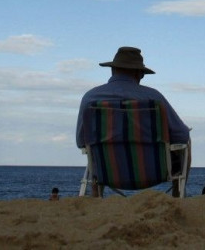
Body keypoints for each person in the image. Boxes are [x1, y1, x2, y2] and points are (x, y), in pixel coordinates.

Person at [76, 46, 191, 197]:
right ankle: (177, 195)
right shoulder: (154, 98)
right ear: (140, 74)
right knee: (187, 141)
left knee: (93, 151)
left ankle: (96, 196)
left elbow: (81, 141)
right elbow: (181, 135)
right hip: (153, 173)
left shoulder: (91, 98)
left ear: (112, 70)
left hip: (106, 173)